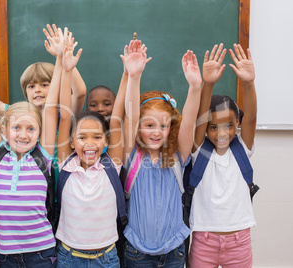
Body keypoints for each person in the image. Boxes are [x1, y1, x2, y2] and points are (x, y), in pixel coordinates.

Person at [0, 28, 64, 267]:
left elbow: (51, 107)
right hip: (3, 253)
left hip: (42, 252)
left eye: (31, 129)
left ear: (40, 132)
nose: (24, 135)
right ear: (4, 130)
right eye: (17, 128)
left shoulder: (43, 154)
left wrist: (59, 60)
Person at [122, 40, 203, 267]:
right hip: (137, 252)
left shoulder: (177, 157)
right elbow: (130, 116)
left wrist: (195, 87)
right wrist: (134, 76)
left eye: (164, 126)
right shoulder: (131, 155)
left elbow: (188, 122)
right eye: (149, 125)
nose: (157, 132)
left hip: (173, 251)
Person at [55, 32, 125, 268]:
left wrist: (128, 74)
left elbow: (116, 119)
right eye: (82, 137)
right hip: (68, 257)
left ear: (106, 142)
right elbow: (65, 115)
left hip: (106, 258)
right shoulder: (66, 163)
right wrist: (65, 70)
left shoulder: (111, 164)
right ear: (72, 142)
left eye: (97, 137)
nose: (90, 143)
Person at [188, 43, 257, 268]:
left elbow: (251, 120)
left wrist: (248, 83)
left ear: (237, 122)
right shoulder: (199, 151)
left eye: (228, 125)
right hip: (204, 241)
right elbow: (200, 118)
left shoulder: (242, 149)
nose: (221, 133)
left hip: (239, 242)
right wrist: (207, 84)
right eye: (213, 127)